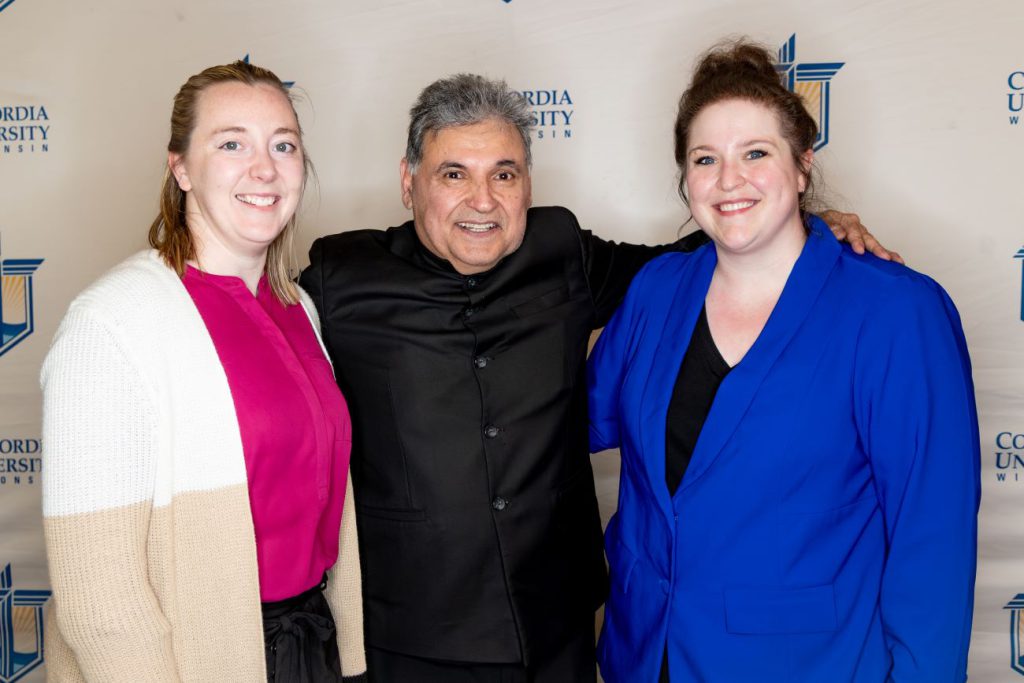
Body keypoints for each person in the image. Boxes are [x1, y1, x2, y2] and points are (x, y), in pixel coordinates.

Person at [300, 73, 894, 682]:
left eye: (504, 174)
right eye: (454, 174)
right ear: (409, 182)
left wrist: (801, 217)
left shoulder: (560, 250)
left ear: (527, 183)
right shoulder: (341, 277)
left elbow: (688, 262)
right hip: (411, 629)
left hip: (557, 621)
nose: (483, 200)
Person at [587, 41, 980, 682]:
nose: (728, 179)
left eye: (756, 154)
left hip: (800, 662)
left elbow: (930, 538)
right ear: (685, 177)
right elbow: (571, 417)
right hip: (645, 652)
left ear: (802, 168)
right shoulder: (657, 290)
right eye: (705, 158)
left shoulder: (896, 313)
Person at [41, 61, 366, 682]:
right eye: (231, 144)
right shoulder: (111, 323)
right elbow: (99, 603)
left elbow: (327, 506)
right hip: (197, 655)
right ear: (181, 168)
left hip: (306, 641)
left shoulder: (298, 308)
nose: (264, 168)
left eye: (284, 145)